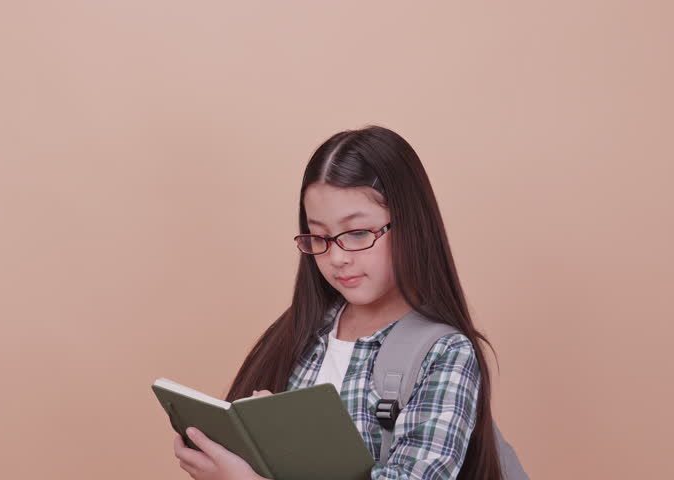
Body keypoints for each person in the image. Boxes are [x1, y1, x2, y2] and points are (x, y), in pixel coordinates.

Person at [172, 124, 503, 479]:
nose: (337, 257)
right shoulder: (300, 332)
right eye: (319, 236)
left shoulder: (443, 353)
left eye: (358, 233)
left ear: (411, 224)